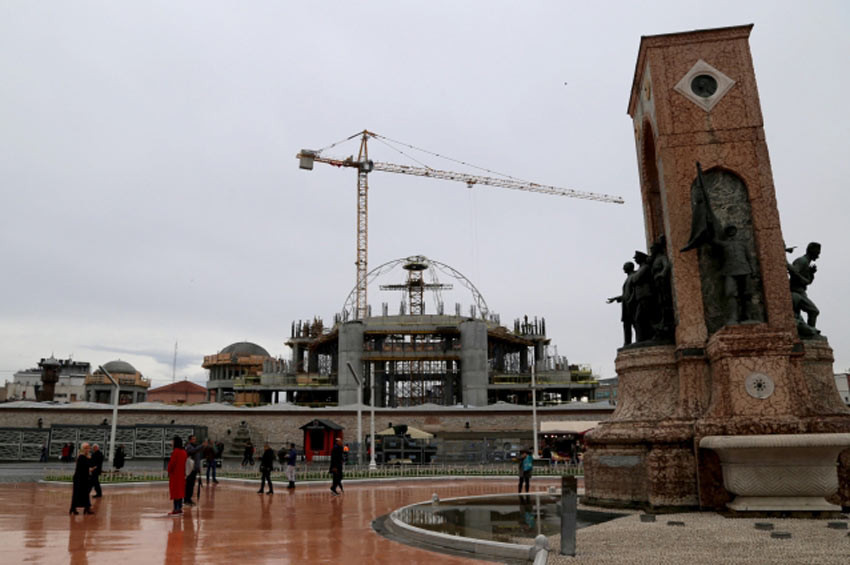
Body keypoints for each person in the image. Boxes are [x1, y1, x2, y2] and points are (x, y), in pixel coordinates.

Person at [789, 242, 821, 330]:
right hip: (796, 291)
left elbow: (807, 282)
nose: (818, 256)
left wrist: (811, 274)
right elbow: (793, 271)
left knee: (812, 312)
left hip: (801, 292)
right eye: (817, 253)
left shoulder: (807, 263)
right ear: (812, 251)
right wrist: (803, 279)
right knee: (814, 311)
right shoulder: (802, 261)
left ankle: (811, 332)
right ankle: (812, 333)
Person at [607, 261, 636, 346]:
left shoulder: (633, 277)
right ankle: (627, 343)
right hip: (626, 306)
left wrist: (630, 300)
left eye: (624, 267)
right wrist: (616, 298)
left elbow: (633, 292)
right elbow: (625, 294)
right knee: (627, 325)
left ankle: (639, 339)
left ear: (629, 268)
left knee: (635, 324)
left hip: (631, 305)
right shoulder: (628, 278)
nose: (623, 269)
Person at [69, 442, 94, 515]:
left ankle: (86, 508)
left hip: (84, 478)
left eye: (88, 448)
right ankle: (73, 508)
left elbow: (90, 465)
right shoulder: (81, 456)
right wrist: (90, 466)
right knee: (77, 494)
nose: (87, 450)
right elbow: (87, 465)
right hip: (79, 479)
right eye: (86, 448)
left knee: (85, 494)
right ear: (83, 449)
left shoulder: (86, 456)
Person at [167, 436, 188, 516]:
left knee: (175, 492)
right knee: (180, 492)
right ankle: (179, 508)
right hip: (181, 475)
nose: (171, 443)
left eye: (172, 441)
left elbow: (172, 464)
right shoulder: (184, 452)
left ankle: (176, 509)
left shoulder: (176, 451)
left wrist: (169, 470)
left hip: (175, 475)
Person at [184, 436, 202, 505]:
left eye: (195, 439)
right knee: (188, 485)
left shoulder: (195, 447)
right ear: (190, 440)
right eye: (193, 439)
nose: (195, 440)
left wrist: (198, 468)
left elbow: (197, 459)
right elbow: (192, 451)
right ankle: (186, 499)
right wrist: (201, 446)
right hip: (190, 469)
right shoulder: (189, 447)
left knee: (191, 485)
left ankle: (189, 498)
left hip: (194, 468)